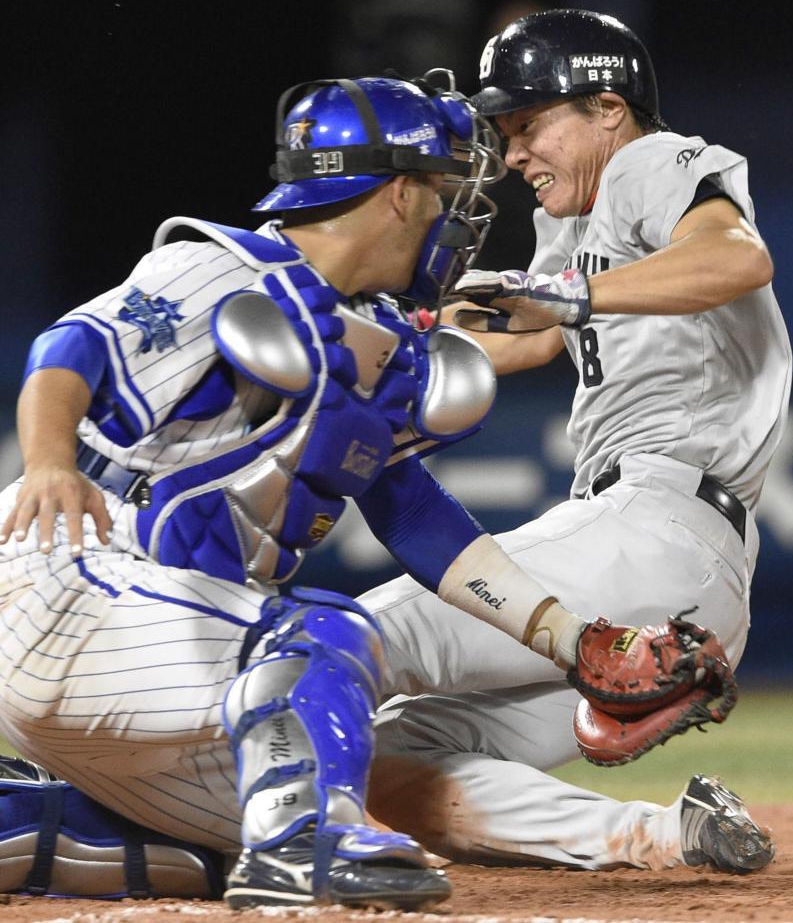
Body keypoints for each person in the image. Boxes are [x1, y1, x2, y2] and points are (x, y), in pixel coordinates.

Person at [0, 69, 615, 907]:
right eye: (436, 187)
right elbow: (69, 350)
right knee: (325, 635)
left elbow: (415, 515)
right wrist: (47, 461)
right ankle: (304, 848)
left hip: (158, 643)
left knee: (240, 833)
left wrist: (567, 636)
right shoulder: (219, 267)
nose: (448, 212)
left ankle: (18, 825)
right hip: (73, 579)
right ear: (398, 194)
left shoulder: (371, 336)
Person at [357, 9, 791, 872]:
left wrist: (564, 298)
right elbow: (527, 335)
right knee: (390, 755)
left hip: (657, 527)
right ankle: (672, 837)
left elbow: (738, 257)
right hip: (657, 578)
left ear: (606, 106)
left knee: (345, 639)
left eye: (528, 123)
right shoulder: (579, 223)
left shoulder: (644, 162)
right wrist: (372, 345)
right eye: (506, 130)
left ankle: (126, 797)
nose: (512, 152)